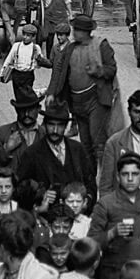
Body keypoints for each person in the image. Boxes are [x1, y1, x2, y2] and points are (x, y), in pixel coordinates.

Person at [45, 15, 119, 173]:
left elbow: (111, 69)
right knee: (85, 144)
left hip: (96, 101)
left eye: (77, 30)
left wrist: (98, 71)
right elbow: (58, 71)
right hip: (77, 103)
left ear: (86, 31)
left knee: (98, 142)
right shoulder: (70, 48)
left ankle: (106, 178)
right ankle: (90, 180)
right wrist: (51, 92)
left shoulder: (101, 45)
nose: (74, 33)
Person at [19, 100, 97, 215]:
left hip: (77, 217)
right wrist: (41, 194)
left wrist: (87, 202)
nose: (55, 130)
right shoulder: (32, 154)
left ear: (65, 126)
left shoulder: (78, 149)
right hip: (47, 217)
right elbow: (20, 189)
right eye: (51, 124)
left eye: (59, 125)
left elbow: (90, 183)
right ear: (45, 125)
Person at [0, 92, 46, 178]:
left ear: (38, 109)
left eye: (31, 109)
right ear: (16, 110)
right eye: (22, 110)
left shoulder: (45, 136)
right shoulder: (3, 132)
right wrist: (6, 150)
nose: (26, 114)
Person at [3, 23, 46, 103]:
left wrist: (34, 64)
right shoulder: (16, 46)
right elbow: (8, 59)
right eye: (24, 34)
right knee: (19, 96)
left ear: (33, 37)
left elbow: (39, 63)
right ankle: (35, 95)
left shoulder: (36, 48)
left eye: (28, 36)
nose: (25, 37)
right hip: (17, 75)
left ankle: (36, 95)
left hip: (28, 75)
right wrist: (3, 72)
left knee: (26, 95)